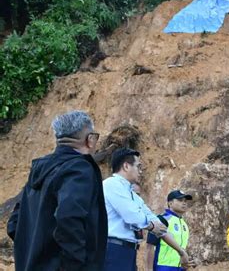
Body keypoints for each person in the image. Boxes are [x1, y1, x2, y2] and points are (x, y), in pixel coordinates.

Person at [7, 110, 108, 271]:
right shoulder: (79, 168)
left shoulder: (41, 169)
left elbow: (14, 223)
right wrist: (73, 265)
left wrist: (34, 249)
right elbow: (69, 217)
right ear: (90, 139)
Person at [103, 148, 167, 271]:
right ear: (126, 166)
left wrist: (180, 251)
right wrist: (152, 226)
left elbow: (149, 214)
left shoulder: (130, 193)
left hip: (128, 251)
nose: (140, 171)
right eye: (138, 167)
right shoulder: (112, 184)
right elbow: (132, 216)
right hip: (113, 250)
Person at [146, 190, 194, 271]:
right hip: (163, 267)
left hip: (180, 268)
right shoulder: (162, 219)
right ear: (170, 203)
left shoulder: (184, 224)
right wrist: (149, 269)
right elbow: (150, 247)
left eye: (185, 201)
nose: (184, 203)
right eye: (180, 200)